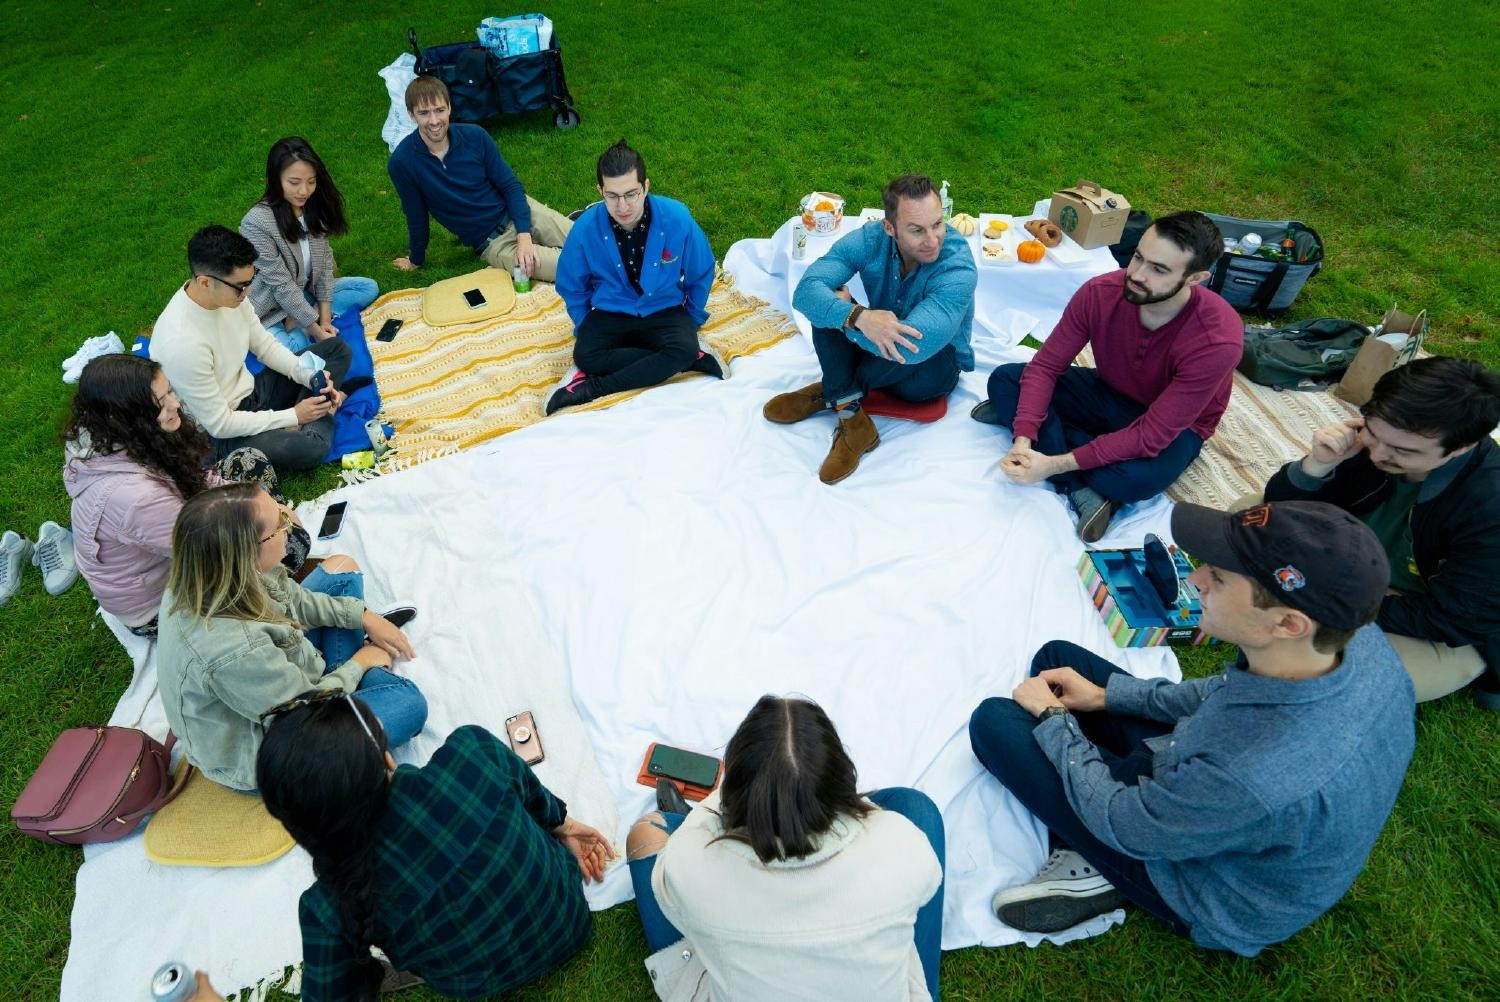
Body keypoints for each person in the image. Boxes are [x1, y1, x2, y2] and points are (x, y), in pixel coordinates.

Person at [968, 501, 1414, 956]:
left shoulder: (1255, 773)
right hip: (1204, 795)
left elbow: (1125, 823)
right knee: (1057, 660)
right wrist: (1107, 697)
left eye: (1218, 578)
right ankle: (1106, 824)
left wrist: (1056, 722)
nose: (1196, 580)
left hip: (1200, 882)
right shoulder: (1349, 640)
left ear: (1287, 623)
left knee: (995, 723)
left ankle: (1100, 874)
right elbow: (1223, 691)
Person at [257, 692, 614, 1002]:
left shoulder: (327, 907)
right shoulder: (472, 752)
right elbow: (541, 805)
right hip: (569, 917)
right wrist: (562, 825)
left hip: (473, 983)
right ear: (385, 757)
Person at [626, 696, 944, 1001]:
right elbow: (922, 876)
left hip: (722, 888)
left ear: (737, 792)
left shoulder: (693, 863)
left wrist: (733, 797)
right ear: (839, 779)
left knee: (647, 833)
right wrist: (821, 797)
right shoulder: (901, 844)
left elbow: (674, 869)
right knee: (915, 807)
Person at [971, 211, 1241, 541]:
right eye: (1139, 257)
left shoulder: (1217, 340)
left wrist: (1053, 464)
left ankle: (1051, 445)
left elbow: (1151, 436)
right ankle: (1053, 447)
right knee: (1007, 379)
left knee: (1133, 480)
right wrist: (1024, 437)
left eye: (1158, 269)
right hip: (1109, 390)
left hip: (1175, 427)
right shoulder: (1101, 292)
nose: (1137, 274)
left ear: (1195, 279)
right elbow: (1045, 366)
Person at [1263, 356, 1500, 709]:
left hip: (1434, 618)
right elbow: (1281, 510)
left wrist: (1332, 604)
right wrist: (1316, 466)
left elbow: (1455, 617)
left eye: (1403, 451)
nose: (1377, 454)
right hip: (1358, 566)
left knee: (1328, 681)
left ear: (1462, 446)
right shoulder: (1372, 443)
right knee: (1248, 515)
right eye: (1372, 432)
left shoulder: (1489, 506)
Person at [157, 483, 427, 791]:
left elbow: (294, 600)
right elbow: (304, 717)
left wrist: (363, 617)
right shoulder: (234, 649)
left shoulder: (212, 570)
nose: (290, 523)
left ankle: (355, 703)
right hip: (279, 746)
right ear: (247, 553)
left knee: (343, 572)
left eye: (281, 510)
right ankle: (355, 712)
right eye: (278, 526)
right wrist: (360, 663)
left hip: (284, 678)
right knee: (408, 703)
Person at [62, 354, 310, 637]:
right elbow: (212, 555)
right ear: (130, 417)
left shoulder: (117, 436)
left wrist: (265, 509)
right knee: (294, 547)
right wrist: (276, 523)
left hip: (178, 527)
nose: (175, 403)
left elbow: (196, 479)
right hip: (161, 604)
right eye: (160, 402)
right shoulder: (136, 499)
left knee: (249, 459)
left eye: (169, 391)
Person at [764, 173, 978, 484]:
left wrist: (850, 317)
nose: (932, 240)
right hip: (880, 347)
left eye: (937, 224)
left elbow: (911, 347)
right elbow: (807, 290)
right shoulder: (870, 238)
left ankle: (832, 392)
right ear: (889, 227)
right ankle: (852, 417)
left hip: (930, 367)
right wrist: (857, 317)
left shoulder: (958, 267)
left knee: (841, 315)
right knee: (831, 302)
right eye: (917, 230)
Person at [150, 225, 351, 472]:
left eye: (251, 279)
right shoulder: (182, 344)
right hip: (219, 434)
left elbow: (265, 347)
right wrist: (295, 415)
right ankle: (319, 412)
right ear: (204, 282)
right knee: (311, 448)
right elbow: (220, 424)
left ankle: (315, 407)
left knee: (336, 349)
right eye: (241, 286)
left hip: (252, 394)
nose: (249, 292)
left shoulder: (231, 297)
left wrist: (308, 375)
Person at [546, 138, 722, 415]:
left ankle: (591, 389)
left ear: (646, 187)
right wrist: (585, 323)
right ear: (600, 191)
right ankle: (686, 360)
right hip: (610, 310)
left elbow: (700, 271)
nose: (623, 206)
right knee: (585, 355)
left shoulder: (677, 217)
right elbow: (571, 286)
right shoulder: (584, 229)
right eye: (612, 196)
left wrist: (693, 317)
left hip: (664, 307)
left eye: (631, 194)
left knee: (681, 346)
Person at [388, 76, 573, 281]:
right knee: (573, 268)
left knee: (593, 241)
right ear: (411, 115)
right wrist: (416, 259)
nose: (433, 121)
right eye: (424, 113)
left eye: (439, 110)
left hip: (521, 212)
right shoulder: (402, 162)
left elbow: (510, 186)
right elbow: (416, 216)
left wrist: (524, 235)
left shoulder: (475, 136)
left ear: (449, 108)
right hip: (495, 243)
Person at [241, 136, 379, 354]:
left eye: (311, 181)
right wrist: (315, 330)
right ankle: (296, 324)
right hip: (269, 308)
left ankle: (304, 317)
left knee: (367, 287)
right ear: (276, 179)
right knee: (298, 348)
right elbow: (281, 286)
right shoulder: (257, 223)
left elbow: (324, 269)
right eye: (294, 183)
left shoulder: (314, 209)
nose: (304, 191)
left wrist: (323, 320)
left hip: (303, 293)